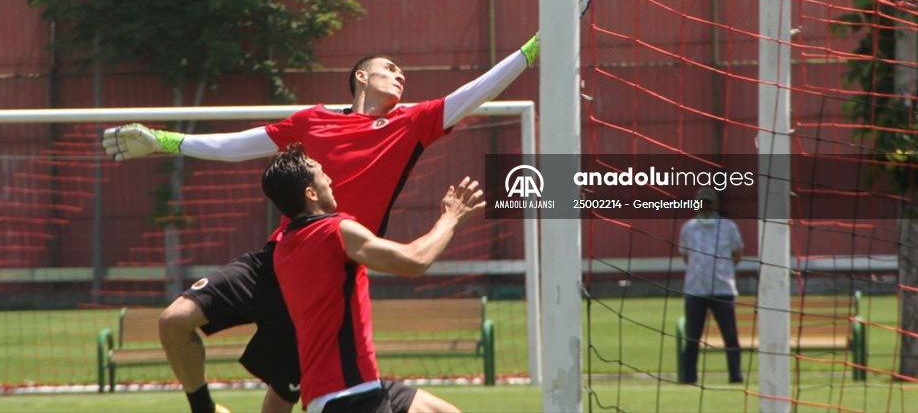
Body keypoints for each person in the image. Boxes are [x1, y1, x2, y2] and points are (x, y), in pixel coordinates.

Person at [101, 22, 571, 412]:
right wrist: (164, 141)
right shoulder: (312, 121)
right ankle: (203, 407)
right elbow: (239, 146)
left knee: (283, 398)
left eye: (401, 71)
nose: (399, 74)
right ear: (360, 78)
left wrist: (532, 50)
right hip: (282, 257)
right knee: (174, 320)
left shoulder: (411, 123)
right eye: (388, 68)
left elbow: (473, 94)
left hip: (332, 273)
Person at [263, 144, 485, 413]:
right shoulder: (333, 232)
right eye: (322, 174)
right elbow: (415, 261)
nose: (330, 179)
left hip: (352, 388)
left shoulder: (283, 246)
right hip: (350, 396)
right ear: (310, 193)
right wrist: (450, 218)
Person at [678, 187, 745, 385]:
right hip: (695, 289)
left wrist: (722, 269)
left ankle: (735, 375)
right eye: (702, 202)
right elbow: (685, 256)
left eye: (708, 201)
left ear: (714, 203)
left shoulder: (729, 227)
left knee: (730, 336)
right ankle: (689, 377)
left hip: (723, 289)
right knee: (692, 337)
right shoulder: (688, 228)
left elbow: (738, 253)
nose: (705, 206)